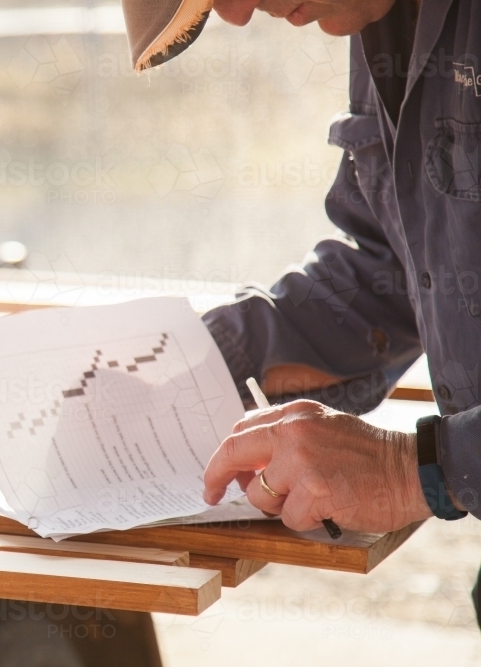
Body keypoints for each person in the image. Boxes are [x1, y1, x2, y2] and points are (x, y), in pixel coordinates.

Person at [123, 0, 481, 616]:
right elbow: (401, 263)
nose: (235, 17)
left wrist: (420, 467)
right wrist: (219, 357)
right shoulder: (381, 17)